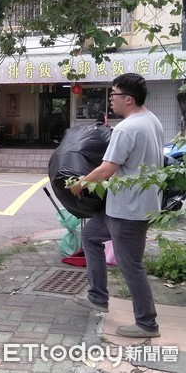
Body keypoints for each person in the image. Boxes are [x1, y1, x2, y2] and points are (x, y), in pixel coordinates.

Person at [70, 73, 163, 338]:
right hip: (131, 205)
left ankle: (147, 323)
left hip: (128, 210)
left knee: (130, 264)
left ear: (129, 99)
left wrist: (80, 183)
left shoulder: (127, 128)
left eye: (114, 95)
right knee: (90, 235)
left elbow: (108, 168)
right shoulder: (151, 120)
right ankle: (98, 296)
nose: (111, 99)